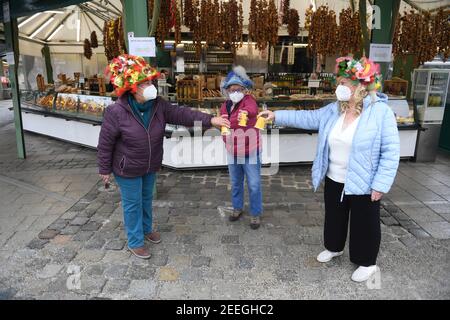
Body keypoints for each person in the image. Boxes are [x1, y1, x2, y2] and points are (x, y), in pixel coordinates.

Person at [259, 57, 400, 282]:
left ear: (359, 86)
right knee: (334, 216)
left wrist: (381, 184)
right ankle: (334, 247)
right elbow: (308, 117)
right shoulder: (336, 109)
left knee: (365, 222)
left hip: (364, 181)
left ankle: (367, 262)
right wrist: (277, 115)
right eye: (339, 82)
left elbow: (391, 151)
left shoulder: (380, 112)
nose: (339, 87)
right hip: (334, 176)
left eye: (343, 82)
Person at [97, 54, 229, 259]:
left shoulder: (158, 105)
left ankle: (147, 229)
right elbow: (105, 143)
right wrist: (104, 169)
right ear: (132, 88)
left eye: (150, 81)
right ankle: (135, 241)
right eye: (145, 83)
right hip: (127, 167)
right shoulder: (116, 112)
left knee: (146, 199)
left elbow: (183, 115)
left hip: (150, 164)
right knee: (133, 204)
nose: (151, 85)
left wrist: (211, 120)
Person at [220, 66, 263, 230]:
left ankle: (255, 214)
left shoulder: (249, 101)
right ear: (228, 91)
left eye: (238, 89)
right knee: (236, 182)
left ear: (244, 90)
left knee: (254, 184)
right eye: (232, 90)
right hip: (233, 151)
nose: (235, 92)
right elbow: (224, 124)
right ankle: (237, 208)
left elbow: (251, 111)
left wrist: (243, 114)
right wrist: (226, 137)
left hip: (250, 150)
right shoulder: (225, 105)